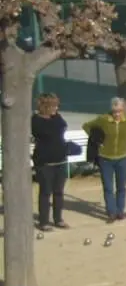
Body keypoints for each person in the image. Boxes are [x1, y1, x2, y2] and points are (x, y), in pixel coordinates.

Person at [82, 98, 126, 223]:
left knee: (121, 187)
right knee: (108, 187)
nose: (117, 114)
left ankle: (120, 211)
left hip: (122, 158)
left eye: (119, 111)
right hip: (105, 158)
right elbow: (86, 126)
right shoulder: (104, 119)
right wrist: (97, 140)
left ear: (123, 110)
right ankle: (111, 212)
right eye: (115, 111)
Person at [31, 93, 70, 230]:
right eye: (53, 105)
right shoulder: (36, 120)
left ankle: (58, 219)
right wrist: (51, 120)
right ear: (45, 106)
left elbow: (62, 126)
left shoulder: (57, 117)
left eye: (57, 105)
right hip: (44, 162)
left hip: (60, 160)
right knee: (45, 191)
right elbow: (45, 132)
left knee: (59, 191)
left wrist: (54, 115)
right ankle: (44, 222)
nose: (56, 108)